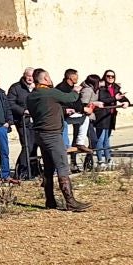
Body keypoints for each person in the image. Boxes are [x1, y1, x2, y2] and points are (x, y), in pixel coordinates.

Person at [25, 70, 89, 213]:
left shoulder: (32, 96)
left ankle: (50, 200)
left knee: (48, 168)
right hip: (52, 134)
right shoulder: (49, 92)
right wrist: (76, 90)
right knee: (62, 167)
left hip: (40, 134)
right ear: (46, 79)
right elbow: (70, 98)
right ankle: (70, 202)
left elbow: (47, 109)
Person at [6, 68, 37, 181]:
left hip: (36, 121)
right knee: (27, 145)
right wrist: (23, 110)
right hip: (22, 121)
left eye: (32, 76)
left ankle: (34, 170)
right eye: (28, 75)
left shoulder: (37, 87)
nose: (30, 78)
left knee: (34, 146)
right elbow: (10, 102)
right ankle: (21, 171)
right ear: (24, 75)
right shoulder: (16, 87)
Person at [91, 71, 128, 163]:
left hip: (111, 115)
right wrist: (115, 98)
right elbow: (103, 99)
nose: (110, 78)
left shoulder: (115, 87)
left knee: (107, 138)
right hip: (102, 115)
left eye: (112, 76)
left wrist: (126, 102)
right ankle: (100, 160)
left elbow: (120, 97)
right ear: (104, 77)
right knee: (101, 138)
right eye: (108, 76)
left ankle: (108, 159)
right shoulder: (101, 87)